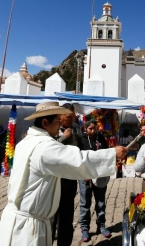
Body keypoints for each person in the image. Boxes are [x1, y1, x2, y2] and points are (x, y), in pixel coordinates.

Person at [0, 101, 128, 246]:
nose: (59, 125)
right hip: (28, 228)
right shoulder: (44, 147)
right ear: (45, 122)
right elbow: (78, 159)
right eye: (58, 121)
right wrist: (112, 154)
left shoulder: (25, 142)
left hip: (17, 219)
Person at [52, 103, 83, 246]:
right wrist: (63, 138)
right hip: (54, 179)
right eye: (68, 117)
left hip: (69, 179)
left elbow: (82, 149)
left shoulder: (77, 129)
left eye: (73, 117)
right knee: (51, 215)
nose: (71, 120)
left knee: (66, 215)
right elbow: (49, 150)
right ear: (61, 116)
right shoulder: (53, 129)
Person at [78, 120, 111, 241]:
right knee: (85, 203)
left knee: (101, 202)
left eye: (94, 128)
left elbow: (106, 153)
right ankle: (85, 228)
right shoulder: (80, 139)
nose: (92, 131)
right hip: (85, 176)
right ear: (85, 128)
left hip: (99, 175)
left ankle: (101, 225)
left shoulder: (100, 138)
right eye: (90, 128)